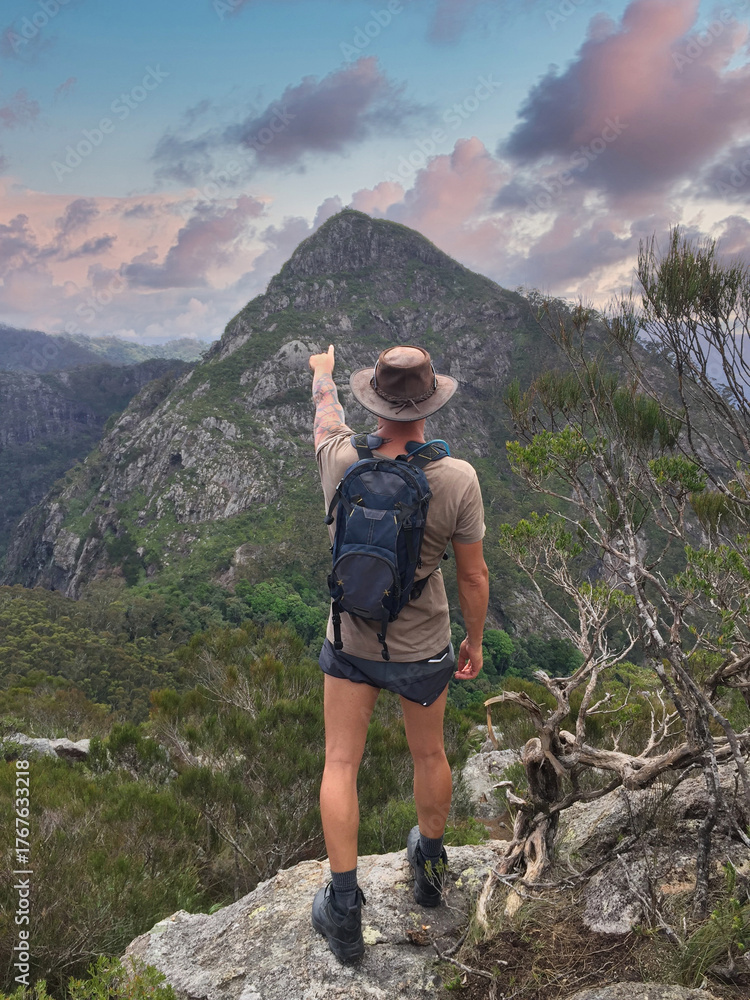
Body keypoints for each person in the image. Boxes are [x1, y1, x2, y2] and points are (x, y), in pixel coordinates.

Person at [309, 342, 489, 963]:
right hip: (422, 645)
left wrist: (323, 376)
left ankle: (343, 907)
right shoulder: (456, 477)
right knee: (430, 752)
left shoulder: (340, 461)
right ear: (429, 402)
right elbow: (472, 577)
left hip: (352, 639)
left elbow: (327, 420)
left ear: (376, 399)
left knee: (340, 764)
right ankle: (430, 873)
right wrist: (474, 640)